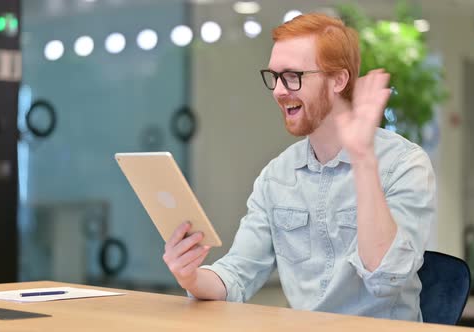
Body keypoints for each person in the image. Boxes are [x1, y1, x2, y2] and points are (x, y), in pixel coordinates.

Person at [162, 13, 435, 321]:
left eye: (293, 76)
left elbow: (386, 278)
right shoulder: (276, 177)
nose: (279, 90)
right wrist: (191, 277)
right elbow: (237, 274)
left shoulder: (404, 164)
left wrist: (362, 159)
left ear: (339, 80)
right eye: (275, 77)